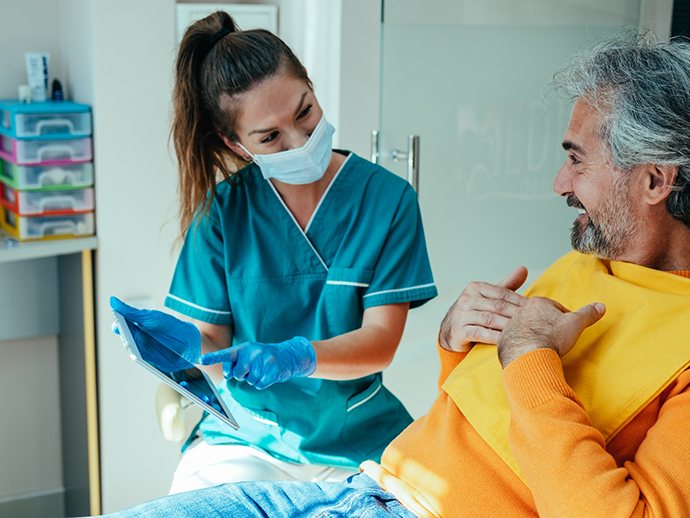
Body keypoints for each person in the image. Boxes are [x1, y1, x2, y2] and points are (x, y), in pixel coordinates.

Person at [102, 30, 690, 517]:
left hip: (389, 487)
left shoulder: (676, 344)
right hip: (368, 483)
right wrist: (455, 342)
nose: (558, 183)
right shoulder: (589, 261)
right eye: (270, 135)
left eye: (576, 158)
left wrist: (529, 354)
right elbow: (471, 412)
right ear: (236, 143)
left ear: (656, 181)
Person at [110, 10, 437, 494]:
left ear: (311, 84)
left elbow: (381, 342)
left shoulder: (388, 200)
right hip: (245, 440)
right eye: (270, 137)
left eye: (304, 111)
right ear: (237, 145)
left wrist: (297, 356)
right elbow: (213, 347)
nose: (301, 141)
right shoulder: (222, 214)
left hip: (358, 438)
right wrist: (183, 349)